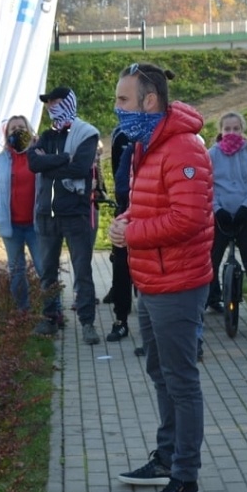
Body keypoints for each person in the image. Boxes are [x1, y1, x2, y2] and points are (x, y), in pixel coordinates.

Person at [109, 63, 213, 492]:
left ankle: (185, 475)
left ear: (150, 101)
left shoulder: (183, 149)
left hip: (177, 282)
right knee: (161, 374)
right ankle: (167, 455)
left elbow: (188, 220)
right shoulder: (146, 144)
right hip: (152, 279)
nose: (117, 109)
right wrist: (128, 219)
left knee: (181, 381)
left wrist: (132, 233)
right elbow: (152, 204)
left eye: (123, 100)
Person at [29, 86, 101, 344]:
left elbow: (81, 169)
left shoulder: (87, 134)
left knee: (82, 271)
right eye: (48, 102)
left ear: (69, 102)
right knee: (47, 271)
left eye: (56, 101)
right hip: (46, 213)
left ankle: (87, 323)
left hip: (76, 214)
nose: (51, 106)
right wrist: (63, 160)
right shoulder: (47, 135)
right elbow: (33, 164)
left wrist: (50, 163)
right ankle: (49, 319)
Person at [206, 111, 247, 334]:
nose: (231, 133)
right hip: (220, 217)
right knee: (208, 265)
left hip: (246, 217)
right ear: (220, 131)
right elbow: (206, 186)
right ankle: (203, 306)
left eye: (235, 129)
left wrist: (246, 206)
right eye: (227, 129)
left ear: (242, 130)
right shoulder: (211, 154)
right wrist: (217, 209)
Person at [0, 115, 43, 314]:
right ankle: (22, 310)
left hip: (36, 225)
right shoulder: (1, 160)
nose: (17, 131)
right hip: (12, 227)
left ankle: (53, 312)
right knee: (17, 272)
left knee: (45, 269)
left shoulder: (39, 155)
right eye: (13, 128)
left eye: (21, 127)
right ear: (7, 133)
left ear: (29, 130)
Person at [103, 127, 134, 341]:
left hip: (156, 217)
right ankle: (121, 320)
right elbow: (120, 184)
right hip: (128, 213)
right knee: (121, 266)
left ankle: (152, 329)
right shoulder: (127, 144)